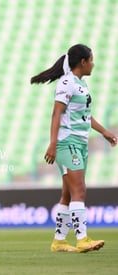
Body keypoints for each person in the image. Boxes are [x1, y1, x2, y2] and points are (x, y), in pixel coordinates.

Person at [30, 44, 117, 252]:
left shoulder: (80, 84)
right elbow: (56, 113)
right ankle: (82, 238)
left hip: (79, 143)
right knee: (79, 190)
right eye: (92, 60)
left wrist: (104, 132)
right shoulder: (66, 83)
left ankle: (59, 241)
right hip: (66, 143)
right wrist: (52, 144)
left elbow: (85, 116)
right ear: (83, 62)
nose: (94, 64)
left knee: (68, 194)